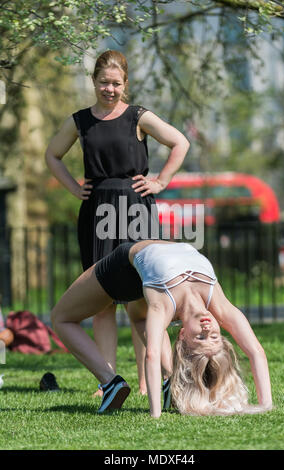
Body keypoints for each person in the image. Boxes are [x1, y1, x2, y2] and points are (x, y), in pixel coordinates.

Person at [45, 50, 190, 395]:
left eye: (116, 83)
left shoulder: (139, 116)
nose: (109, 89)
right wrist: (74, 188)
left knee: (143, 297)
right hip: (95, 213)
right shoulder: (79, 121)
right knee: (102, 301)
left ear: (125, 84)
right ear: (93, 81)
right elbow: (52, 155)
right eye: (103, 82)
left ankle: (148, 381)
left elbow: (179, 142)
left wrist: (160, 182)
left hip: (136, 210)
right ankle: (106, 381)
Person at [51, 240, 273, 418]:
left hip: (125, 267)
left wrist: (155, 414)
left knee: (61, 317)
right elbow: (256, 351)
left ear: (183, 335)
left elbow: (152, 354)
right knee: (138, 316)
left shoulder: (164, 303)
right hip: (148, 265)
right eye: (214, 335)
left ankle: (110, 382)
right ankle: (171, 380)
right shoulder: (219, 305)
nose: (207, 327)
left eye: (201, 337)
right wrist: (266, 404)